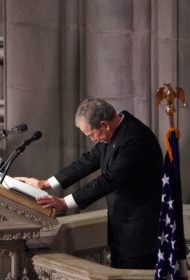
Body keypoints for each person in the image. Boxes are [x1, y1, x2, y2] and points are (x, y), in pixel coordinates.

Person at [17, 98, 163, 269]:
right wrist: (45, 184)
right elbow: (89, 161)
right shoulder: (114, 133)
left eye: (91, 134)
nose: (93, 139)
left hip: (141, 234)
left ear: (104, 124)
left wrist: (65, 203)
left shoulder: (134, 138)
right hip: (123, 229)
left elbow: (109, 180)